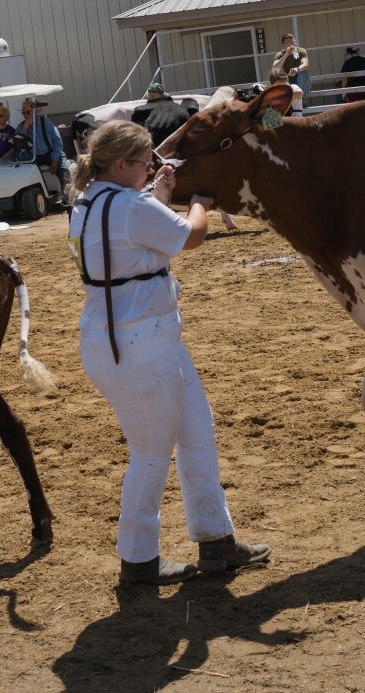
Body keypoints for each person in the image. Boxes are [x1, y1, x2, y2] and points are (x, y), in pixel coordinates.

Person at [67, 121, 270, 585]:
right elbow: (192, 236)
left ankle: (216, 540)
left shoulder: (90, 201)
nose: (150, 170)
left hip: (141, 338)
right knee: (152, 455)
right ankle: (138, 561)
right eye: (145, 164)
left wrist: (157, 193)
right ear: (121, 165)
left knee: (197, 431)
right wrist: (199, 199)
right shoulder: (130, 203)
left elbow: (133, 238)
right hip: (138, 345)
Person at [131, 83, 197, 148]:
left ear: (151, 96)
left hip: (156, 151)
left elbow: (136, 135)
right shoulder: (182, 108)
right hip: (180, 149)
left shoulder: (141, 110)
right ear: (163, 95)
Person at [18, 98, 66, 186]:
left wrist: (54, 160)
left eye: (28, 112)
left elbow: (57, 141)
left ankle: (66, 193)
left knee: (63, 171)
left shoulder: (46, 122)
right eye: (23, 113)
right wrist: (24, 129)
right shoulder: (21, 126)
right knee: (23, 173)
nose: (25, 115)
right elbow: (18, 145)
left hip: (49, 154)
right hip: (32, 156)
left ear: (34, 112)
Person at [271, 33, 310, 97]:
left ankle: (302, 100)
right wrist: (286, 55)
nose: (292, 44)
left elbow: (305, 65)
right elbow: (275, 68)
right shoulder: (280, 55)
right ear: (283, 45)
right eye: (289, 42)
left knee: (304, 73)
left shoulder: (301, 51)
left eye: (293, 42)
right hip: (288, 80)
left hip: (302, 81)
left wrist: (296, 69)